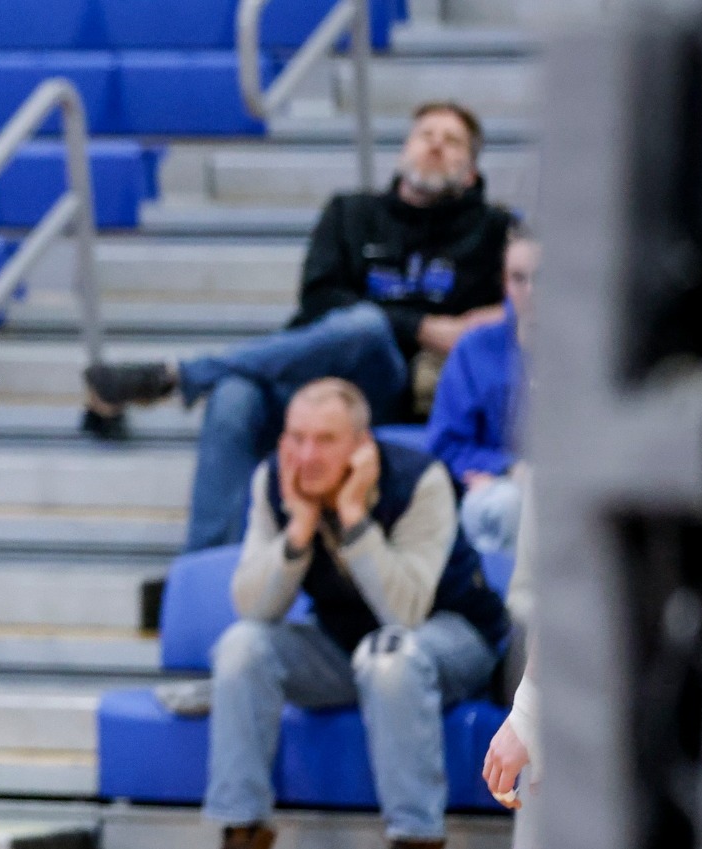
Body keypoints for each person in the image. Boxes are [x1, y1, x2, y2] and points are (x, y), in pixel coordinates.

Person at [86, 101, 514, 551]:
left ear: (470, 173)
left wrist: (487, 319)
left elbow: (528, 297)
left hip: (386, 388)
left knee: (367, 326)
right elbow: (320, 299)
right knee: (234, 396)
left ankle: (179, 376)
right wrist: (425, 326)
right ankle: (208, 570)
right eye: (426, 134)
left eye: (452, 142)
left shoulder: (493, 231)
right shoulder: (350, 213)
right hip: (312, 378)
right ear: (403, 150)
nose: (435, 146)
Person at [197, 378, 509, 849]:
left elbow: (404, 612)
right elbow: (254, 607)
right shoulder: (273, 482)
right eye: (296, 438)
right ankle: (242, 842)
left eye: (325, 439)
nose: (307, 455)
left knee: (388, 654)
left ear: (362, 444)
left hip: (454, 638)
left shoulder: (420, 480)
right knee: (241, 646)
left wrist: (352, 516)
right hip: (347, 646)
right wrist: (299, 528)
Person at [429, 231, 538, 556]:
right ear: (505, 282)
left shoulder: (597, 348)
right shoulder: (474, 348)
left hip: (573, 486)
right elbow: (444, 444)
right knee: (502, 506)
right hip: (502, 486)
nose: (531, 291)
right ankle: (501, 605)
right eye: (519, 278)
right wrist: (508, 468)